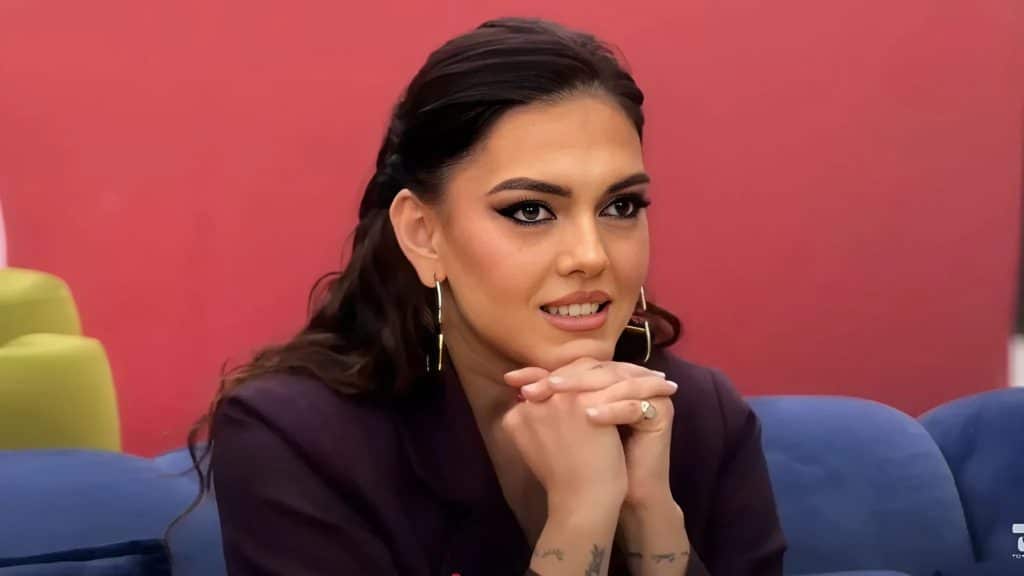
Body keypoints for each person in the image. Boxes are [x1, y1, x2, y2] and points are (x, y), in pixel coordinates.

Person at [190, 17, 786, 576]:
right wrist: (580, 516)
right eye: (530, 211)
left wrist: (653, 520)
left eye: (620, 206)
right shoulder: (296, 439)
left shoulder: (701, 417)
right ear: (424, 235)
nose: (592, 255)